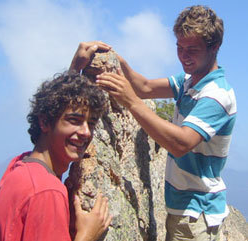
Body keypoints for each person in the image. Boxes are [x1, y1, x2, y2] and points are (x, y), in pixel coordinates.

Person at [94, 5, 237, 241]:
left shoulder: (217, 95)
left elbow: (181, 143)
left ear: (215, 47)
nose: (183, 56)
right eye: (179, 48)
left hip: (196, 215)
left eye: (192, 49)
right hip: (186, 210)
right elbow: (145, 87)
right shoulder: (188, 82)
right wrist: (117, 60)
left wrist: (131, 102)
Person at [0, 42, 112, 241]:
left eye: (91, 123)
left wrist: (74, 71)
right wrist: (87, 235)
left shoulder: (20, 166)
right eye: (74, 121)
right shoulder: (46, 191)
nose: (86, 132)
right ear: (45, 121)